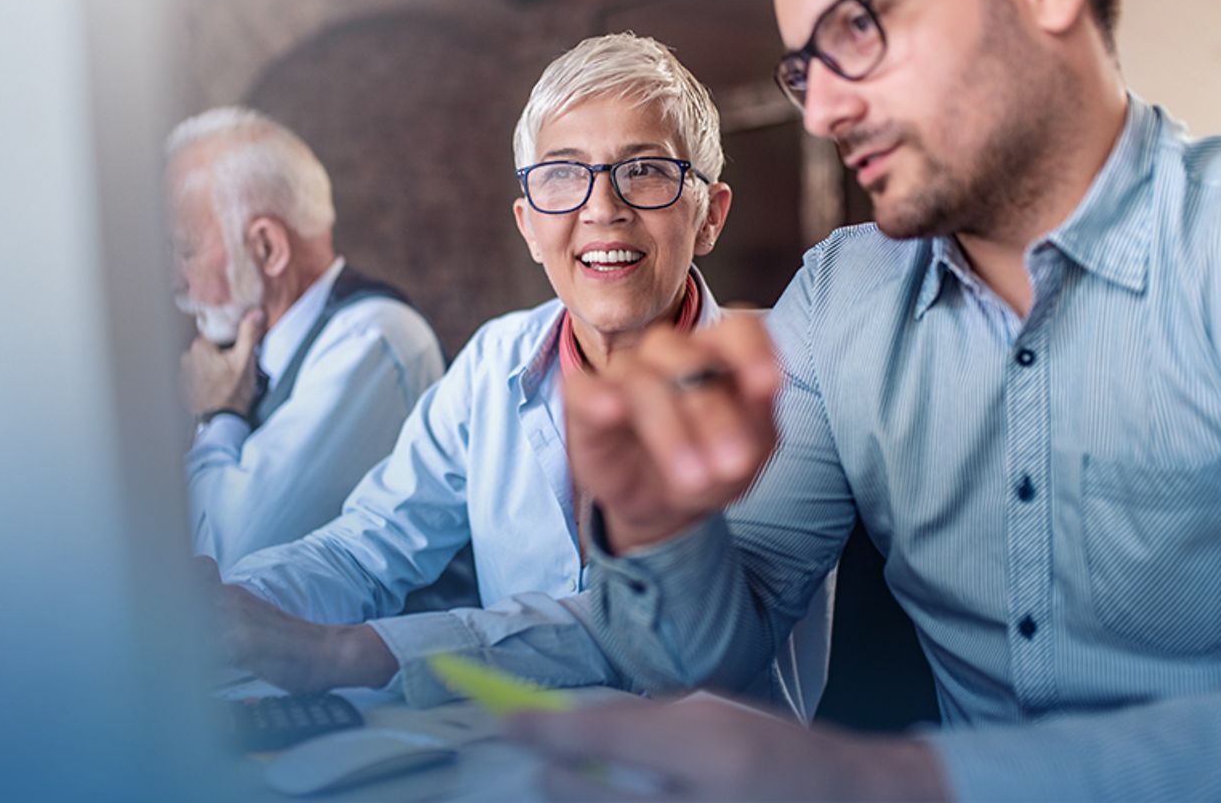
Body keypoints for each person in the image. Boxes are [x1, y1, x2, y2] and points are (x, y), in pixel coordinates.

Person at [507, 0, 1221, 800]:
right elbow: (718, 655)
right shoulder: (839, 295)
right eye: (806, 67)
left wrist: (889, 778)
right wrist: (656, 523)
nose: (823, 114)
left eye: (859, 27)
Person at [212, 35, 836, 713]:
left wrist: (350, 652)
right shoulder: (492, 361)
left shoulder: (784, 367)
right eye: (563, 174)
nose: (603, 209)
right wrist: (233, 605)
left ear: (709, 215)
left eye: (647, 170)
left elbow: (663, 637)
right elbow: (369, 547)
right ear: (530, 226)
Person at [168, 107, 445, 571]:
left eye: (185, 250)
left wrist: (218, 415)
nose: (176, 282)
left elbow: (224, 561)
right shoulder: (252, 358)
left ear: (267, 248)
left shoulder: (374, 340)